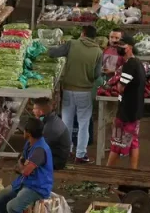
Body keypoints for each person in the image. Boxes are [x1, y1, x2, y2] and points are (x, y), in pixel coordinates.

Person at [47, 25, 101, 164]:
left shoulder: (72, 44)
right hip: (84, 92)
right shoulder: (98, 51)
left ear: (82, 34)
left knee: (66, 123)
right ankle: (80, 155)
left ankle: (66, 151)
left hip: (68, 90)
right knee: (83, 124)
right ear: (94, 37)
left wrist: (42, 48)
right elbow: (96, 75)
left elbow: (53, 53)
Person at [0, 118, 54, 213]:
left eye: (24, 130)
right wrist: (22, 164)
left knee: (12, 207)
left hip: (37, 187)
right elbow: (22, 160)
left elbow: (25, 171)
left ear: (28, 133)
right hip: (24, 182)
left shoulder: (40, 150)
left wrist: (21, 165)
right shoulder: (29, 143)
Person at [106, 35, 145, 169]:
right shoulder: (138, 63)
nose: (120, 48)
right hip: (135, 110)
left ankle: (107, 171)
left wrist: (117, 80)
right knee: (133, 141)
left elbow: (121, 88)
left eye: (123, 46)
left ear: (130, 48)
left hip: (126, 111)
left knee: (117, 142)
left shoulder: (129, 65)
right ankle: (133, 171)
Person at [31, 98, 69, 170]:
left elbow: (41, 149)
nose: (32, 111)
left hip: (56, 162)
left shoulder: (50, 127)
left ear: (41, 112)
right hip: (54, 155)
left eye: (34, 109)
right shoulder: (51, 118)